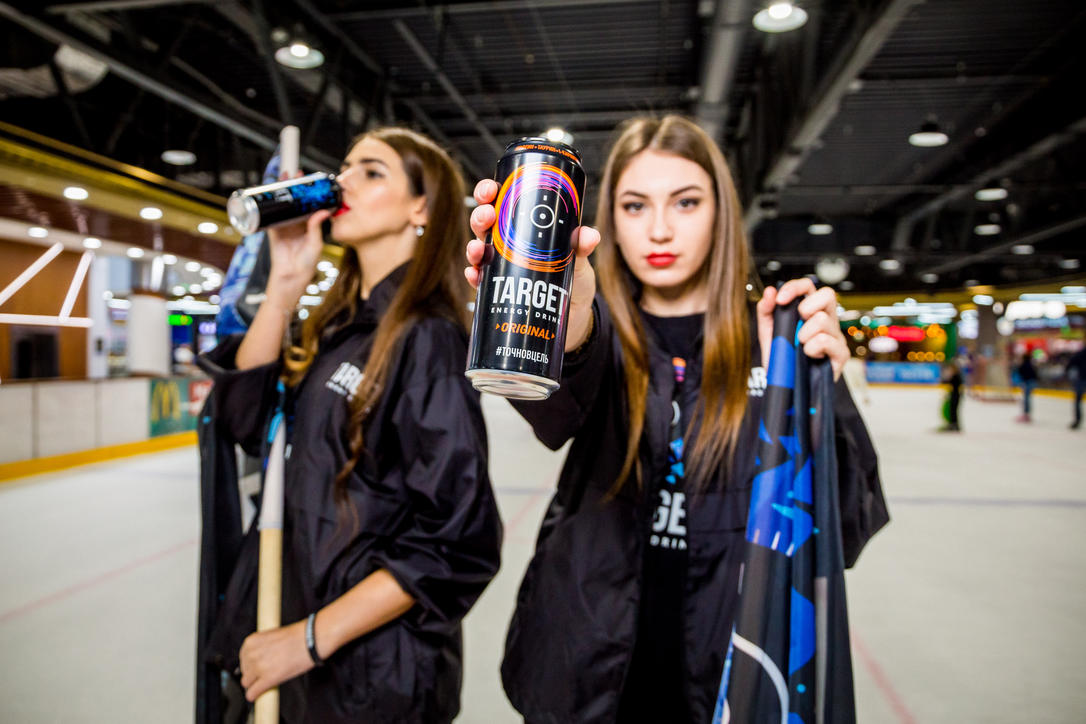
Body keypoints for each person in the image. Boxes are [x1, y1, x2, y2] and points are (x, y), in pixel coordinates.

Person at [465, 115, 887, 724]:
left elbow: (848, 525)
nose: (659, 229)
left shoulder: (772, 338)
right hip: (583, 665)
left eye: (685, 202)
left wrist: (816, 388)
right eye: (635, 206)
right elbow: (558, 408)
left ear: (721, 212)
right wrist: (566, 322)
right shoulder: (598, 329)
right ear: (609, 220)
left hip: (727, 669)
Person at [199, 127, 503, 723]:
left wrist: (311, 638)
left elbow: (459, 540)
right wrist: (284, 286)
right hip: (296, 635)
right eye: (345, 167)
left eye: (372, 171)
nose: (344, 182)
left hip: (370, 675)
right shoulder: (339, 328)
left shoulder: (429, 338)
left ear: (421, 207)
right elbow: (244, 421)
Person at [939, 360, 963, 432]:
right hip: (955, 394)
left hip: (956, 395)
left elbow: (948, 382)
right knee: (953, 410)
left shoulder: (956, 376)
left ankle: (954, 424)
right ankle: (954, 424)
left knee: (953, 410)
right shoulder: (956, 375)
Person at [1016, 350, 1039, 423]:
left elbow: (1021, 372)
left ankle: (1026, 415)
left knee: (1026, 399)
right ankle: (1026, 414)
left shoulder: (1024, 365)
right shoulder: (1031, 365)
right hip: (1031, 382)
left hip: (1028, 383)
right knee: (1027, 399)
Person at [1067, 347, 1086, 429]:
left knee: (1078, 400)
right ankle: (1077, 420)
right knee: (1078, 400)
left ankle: (1077, 420)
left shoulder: (1081, 353)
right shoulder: (1081, 353)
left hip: (1081, 379)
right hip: (1081, 379)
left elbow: (1071, 362)